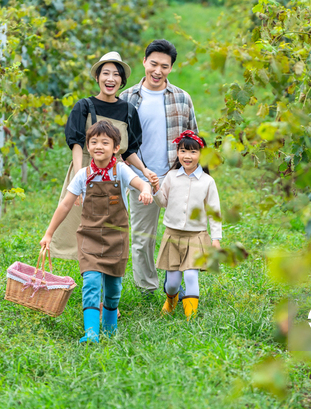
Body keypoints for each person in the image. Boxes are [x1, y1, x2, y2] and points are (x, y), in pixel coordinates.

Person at [40, 121, 153, 343]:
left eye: (105, 142)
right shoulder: (83, 174)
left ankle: (110, 330)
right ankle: (91, 333)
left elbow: (141, 183)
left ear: (116, 148)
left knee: (113, 288)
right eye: (93, 142)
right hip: (89, 237)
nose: (98, 146)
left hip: (116, 238)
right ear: (88, 148)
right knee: (91, 282)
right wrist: (49, 233)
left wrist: (147, 191)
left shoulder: (121, 170)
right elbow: (64, 205)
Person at [50, 51, 157, 261]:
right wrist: (80, 175)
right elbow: (77, 144)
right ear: (97, 77)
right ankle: (81, 266)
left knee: (108, 223)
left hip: (114, 173)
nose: (110, 79)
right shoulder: (84, 106)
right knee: (74, 220)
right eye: (105, 73)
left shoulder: (128, 110)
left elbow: (129, 150)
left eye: (116, 75)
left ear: (122, 81)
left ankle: (104, 265)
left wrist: (144, 171)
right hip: (87, 168)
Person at [119, 39, 198, 294]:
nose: (158, 70)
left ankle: (176, 283)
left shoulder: (182, 98)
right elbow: (118, 143)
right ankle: (147, 287)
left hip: (174, 175)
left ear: (171, 68)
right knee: (143, 238)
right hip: (140, 177)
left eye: (164, 66)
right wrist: (136, 174)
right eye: (153, 64)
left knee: (181, 234)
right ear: (144, 62)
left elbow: (192, 138)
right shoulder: (127, 98)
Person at [152, 130, 221, 320]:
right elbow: (163, 202)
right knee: (172, 283)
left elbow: (214, 212)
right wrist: (156, 189)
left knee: (191, 276)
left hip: (196, 236)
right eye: (183, 151)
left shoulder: (207, 182)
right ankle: (170, 301)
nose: (187, 156)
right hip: (173, 235)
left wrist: (216, 238)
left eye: (193, 152)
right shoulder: (172, 177)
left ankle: (191, 317)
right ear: (177, 153)